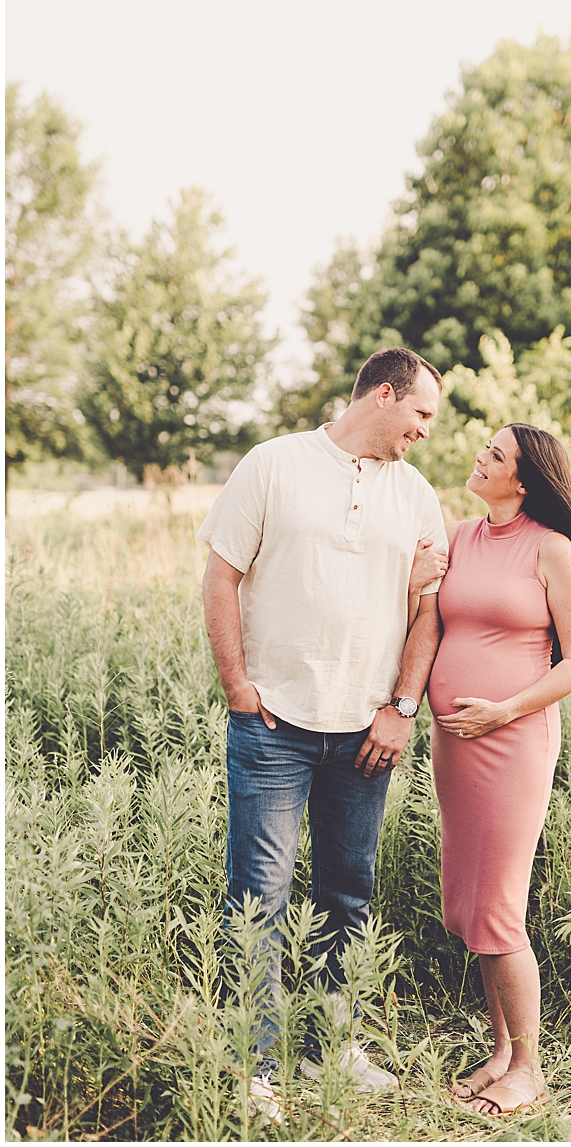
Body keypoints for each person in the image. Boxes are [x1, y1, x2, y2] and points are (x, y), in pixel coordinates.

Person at [198, 347, 449, 1117]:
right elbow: (219, 576)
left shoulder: (417, 496)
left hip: (364, 732)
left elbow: (428, 611)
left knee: (348, 894)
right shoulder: (272, 465)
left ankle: (331, 1047)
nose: (426, 432)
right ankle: (257, 1066)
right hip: (273, 727)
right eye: (421, 414)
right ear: (383, 394)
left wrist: (403, 706)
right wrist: (239, 688)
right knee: (261, 896)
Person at [426, 422, 571, 1117]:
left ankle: (528, 1068)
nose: (480, 456)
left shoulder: (551, 549)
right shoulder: (461, 535)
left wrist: (503, 710)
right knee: (467, 905)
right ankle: (499, 1052)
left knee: (499, 906)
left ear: (524, 480)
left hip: (513, 740)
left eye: (495, 454)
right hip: (455, 744)